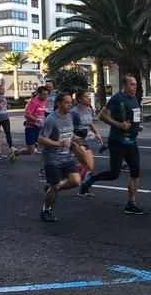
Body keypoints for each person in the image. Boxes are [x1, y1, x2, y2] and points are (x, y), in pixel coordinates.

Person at [79, 74, 146, 215]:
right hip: (117, 141)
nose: (135, 87)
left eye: (135, 84)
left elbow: (132, 116)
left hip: (132, 141)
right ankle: (92, 179)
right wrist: (119, 125)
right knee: (114, 174)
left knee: (135, 172)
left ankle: (131, 203)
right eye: (132, 84)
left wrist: (136, 126)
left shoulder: (134, 98)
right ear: (125, 86)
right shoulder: (117, 98)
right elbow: (102, 116)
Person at [38, 93, 82, 222]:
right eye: (67, 102)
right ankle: (46, 210)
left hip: (66, 157)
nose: (70, 105)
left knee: (75, 181)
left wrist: (74, 139)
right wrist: (58, 143)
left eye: (71, 102)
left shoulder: (69, 116)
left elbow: (67, 132)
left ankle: (52, 188)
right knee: (55, 186)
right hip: (52, 158)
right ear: (59, 103)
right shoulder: (51, 119)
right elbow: (41, 139)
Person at [71, 89, 103, 194]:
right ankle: (83, 188)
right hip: (75, 140)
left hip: (84, 139)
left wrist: (97, 134)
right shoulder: (74, 111)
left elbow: (90, 123)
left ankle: (66, 171)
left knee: (89, 166)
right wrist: (74, 136)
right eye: (85, 96)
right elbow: (66, 126)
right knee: (87, 166)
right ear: (79, 99)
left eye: (88, 96)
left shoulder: (89, 109)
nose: (88, 98)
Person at [9, 86, 49, 162]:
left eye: (47, 94)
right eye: (44, 94)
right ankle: (16, 152)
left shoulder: (44, 102)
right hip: (31, 128)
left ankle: (46, 165)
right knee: (30, 151)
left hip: (40, 128)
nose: (46, 96)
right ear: (39, 94)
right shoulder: (33, 102)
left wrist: (44, 120)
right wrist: (37, 120)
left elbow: (42, 113)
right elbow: (27, 115)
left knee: (47, 146)